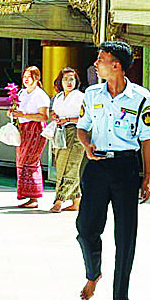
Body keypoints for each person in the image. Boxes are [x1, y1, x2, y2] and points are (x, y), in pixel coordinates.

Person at [76, 40, 150, 300]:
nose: (96, 64)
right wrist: (86, 145)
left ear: (116, 65)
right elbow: (82, 127)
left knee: (125, 234)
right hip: (96, 167)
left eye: (101, 59)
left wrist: (147, 177)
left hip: (125, 168)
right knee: (86, 228)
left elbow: (147, 137)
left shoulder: (140, 97)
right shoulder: (92, 94)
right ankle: (93, 272)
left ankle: (120, 297)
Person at [8, 65, 50, 209]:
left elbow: (44, 116)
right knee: (22, 161)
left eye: (29, 77)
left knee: (31, 161)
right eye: (24, 77)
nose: (25, 79)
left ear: (36, 78)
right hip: (24, 129)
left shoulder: (40, 95)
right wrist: (13, 113)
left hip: (36, 129)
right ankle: (28, 195)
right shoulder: (22, 93)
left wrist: (24, 115)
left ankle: (34, 197)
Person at [49, 67, 86, 213]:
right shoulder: (58, 97)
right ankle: (76, 200)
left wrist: (68, 119)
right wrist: (55, 117)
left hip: (76, 132)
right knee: (61, 165)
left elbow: (85, 117)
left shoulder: (80, 96)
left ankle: (60, 199)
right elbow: (53, 112)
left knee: (71, 166)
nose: (69, 82)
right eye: (65, 79)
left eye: (72, 79)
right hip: (61, 133)